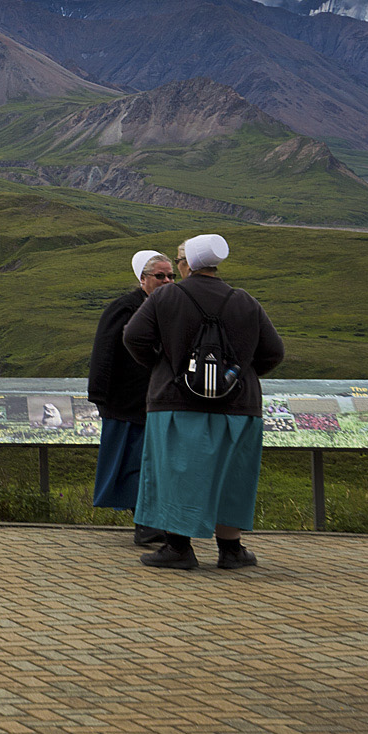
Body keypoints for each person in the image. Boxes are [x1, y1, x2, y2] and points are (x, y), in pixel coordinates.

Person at [122, 232, 285, 570]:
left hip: (176, 403)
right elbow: (273, 352)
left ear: (186, 265)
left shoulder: (166, 297)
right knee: (232, 475)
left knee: (175, 472)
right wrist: (238, 377)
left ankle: (178, 548)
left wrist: (163, 364)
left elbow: (134, 336)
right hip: (239, 406)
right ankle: (232, 550)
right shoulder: (245, 300)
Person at [90, 249, 174, 546]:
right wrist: (101, 397)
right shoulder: (124, 308)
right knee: (134, 463)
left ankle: (150, 522)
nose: (166, 281)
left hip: (156, 400)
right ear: (143, 279)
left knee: (148, 463)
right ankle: (145, 523)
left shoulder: (167, 307)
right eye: (159, 276)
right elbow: (104, 353)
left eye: (170, 276)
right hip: (127, 402)